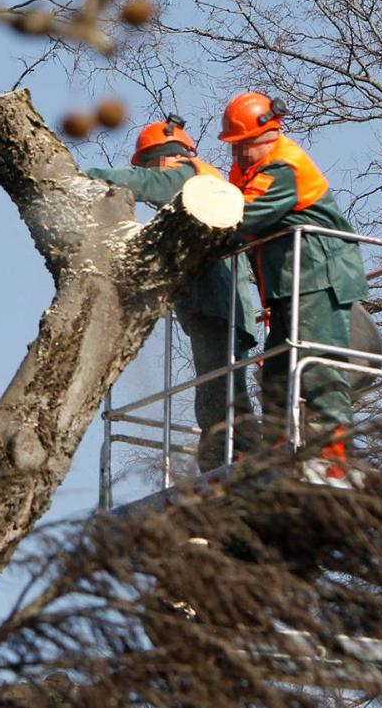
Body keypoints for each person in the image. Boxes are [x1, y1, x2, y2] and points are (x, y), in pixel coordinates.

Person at [86, 116, 260, 472]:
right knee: (222, 389)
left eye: (151, 164)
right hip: (215, 306)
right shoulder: (196, 189)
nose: (152, 172)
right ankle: (237, 457)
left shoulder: (193, 179)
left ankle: (230, 462)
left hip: (218, 306)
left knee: (218, 392)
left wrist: (86, 177)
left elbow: (146, 183)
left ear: (164, 158)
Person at [218, 92, 368, 474]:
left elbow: (244, 217)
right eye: (234, 147)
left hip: (318, 276)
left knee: (319, 364)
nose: (237, 155)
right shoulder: (253, 169)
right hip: (289, 284)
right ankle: (280, 443)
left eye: (242, 146)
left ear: (265, 136)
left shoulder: (282, 168)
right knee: (278, 368)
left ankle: (329, 448)